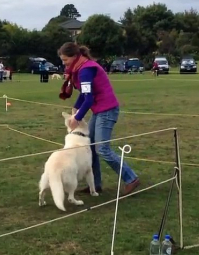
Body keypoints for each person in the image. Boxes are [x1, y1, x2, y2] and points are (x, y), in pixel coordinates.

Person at [58, 42, 140, 196]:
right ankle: (94, 186)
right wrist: (75, 108)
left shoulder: (85, 70)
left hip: (107, 110)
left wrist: (77, 118)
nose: (64, 63)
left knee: (102, 149)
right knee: (92, 147)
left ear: (74, 56)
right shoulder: (80, 68)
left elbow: (88, 99)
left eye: (65, 60)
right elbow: (83, 94)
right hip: (99, 110)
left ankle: (131, 178)